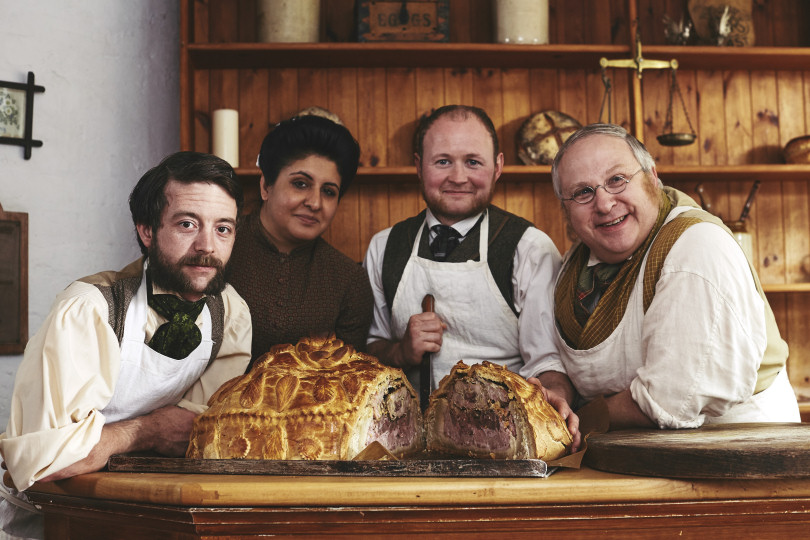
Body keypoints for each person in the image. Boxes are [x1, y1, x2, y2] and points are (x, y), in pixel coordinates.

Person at [0, 151, 252, 539]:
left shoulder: (230, 312)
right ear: (147, 231)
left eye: (223, 229)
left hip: (135, 516)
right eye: (188, 224)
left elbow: (195, 433)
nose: (207, 246)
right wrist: (146, 431)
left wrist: (102, 443)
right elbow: (46, 463)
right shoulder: (89, 309)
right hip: (45, 520)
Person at [551, 123, 800, 430]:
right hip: (627, 452)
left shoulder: (697, 248)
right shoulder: (572, 264)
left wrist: (579, 420)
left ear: (652, 178)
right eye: (583, 192)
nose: (604, 203)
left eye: (617, 179)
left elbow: (670, 398)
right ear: (566, 210)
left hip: (737, 450)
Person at [363, 105, 580, 447]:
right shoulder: (384, 247)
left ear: (498, 168)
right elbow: (369, 352)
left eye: (473, 162)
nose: (459, 177)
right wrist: (402, 351)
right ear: (418, 166)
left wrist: (553, 398)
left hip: (503, 442)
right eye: (443, 161)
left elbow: (549, 362)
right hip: (402, 447)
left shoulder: (529, 247)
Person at [227, 114, 373, 368]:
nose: (315, 203)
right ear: (266, 187)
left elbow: (349, 383)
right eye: (300, 184)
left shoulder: (349, 281)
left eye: (329, 192)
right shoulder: (217, 246)